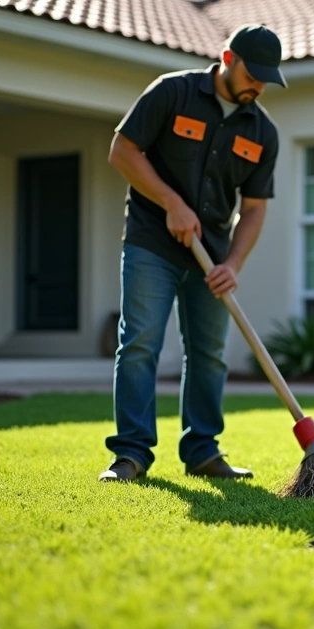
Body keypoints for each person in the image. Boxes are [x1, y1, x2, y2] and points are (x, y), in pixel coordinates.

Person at [98, 24, 284, 482]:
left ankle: (203, 453)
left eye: (266, 78)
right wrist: (171, 203)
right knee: (140, 344)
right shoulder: (172, 92)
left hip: (213, 258)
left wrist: (233, 264)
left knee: (209, 355)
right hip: (152, 243)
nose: (258, 86)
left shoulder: (263, 132)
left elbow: (255, 209)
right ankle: (131, 456)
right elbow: (122, 151)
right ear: (227, 59)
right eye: (252, 74)